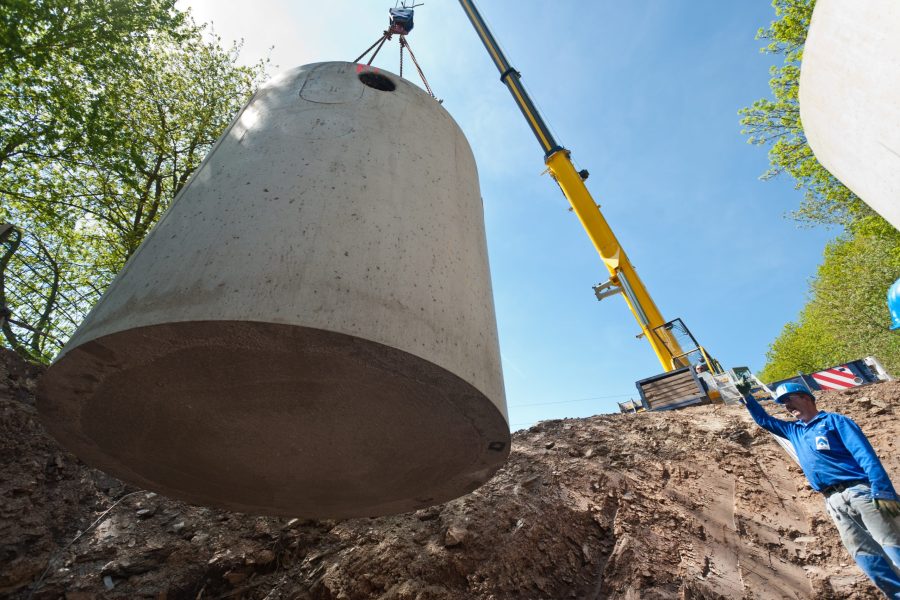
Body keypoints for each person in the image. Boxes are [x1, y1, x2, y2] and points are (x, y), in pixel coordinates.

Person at [740, 381, 900, 598]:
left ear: (805, 397)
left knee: (892, 545)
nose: (786, 406)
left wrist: (882, 490)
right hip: (833, 501)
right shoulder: (793, 430)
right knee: (866, 557)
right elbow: (764, 420)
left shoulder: (834, 421)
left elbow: (865, 455)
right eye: (783, 403)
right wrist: (747, 398)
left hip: (860, 492)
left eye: (789, 399)